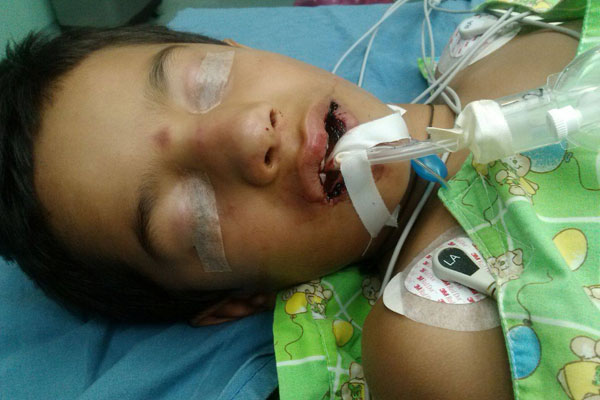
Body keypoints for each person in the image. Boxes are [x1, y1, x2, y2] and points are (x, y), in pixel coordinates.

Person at [0, 19, 581, 399]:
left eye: (205, 81)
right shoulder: (436, 337)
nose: (249, 133)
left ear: (239, 48)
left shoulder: (496, 31)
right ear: (237, 301)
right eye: (192, 215)